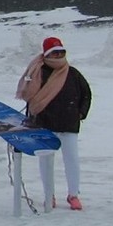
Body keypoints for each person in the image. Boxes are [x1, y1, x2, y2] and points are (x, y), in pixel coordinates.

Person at [16, 35, 93, 210]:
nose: (58, 56)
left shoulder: (73, 73)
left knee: (72, 160)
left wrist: (81, 112)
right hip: (46, 124)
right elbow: (29, 95)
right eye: (54, 53)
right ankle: (49, 196)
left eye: (61, 52)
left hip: (69, 125)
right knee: (46, 162)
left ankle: (73, 195)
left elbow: (86, 93)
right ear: (47, 54)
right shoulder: (37, 72)